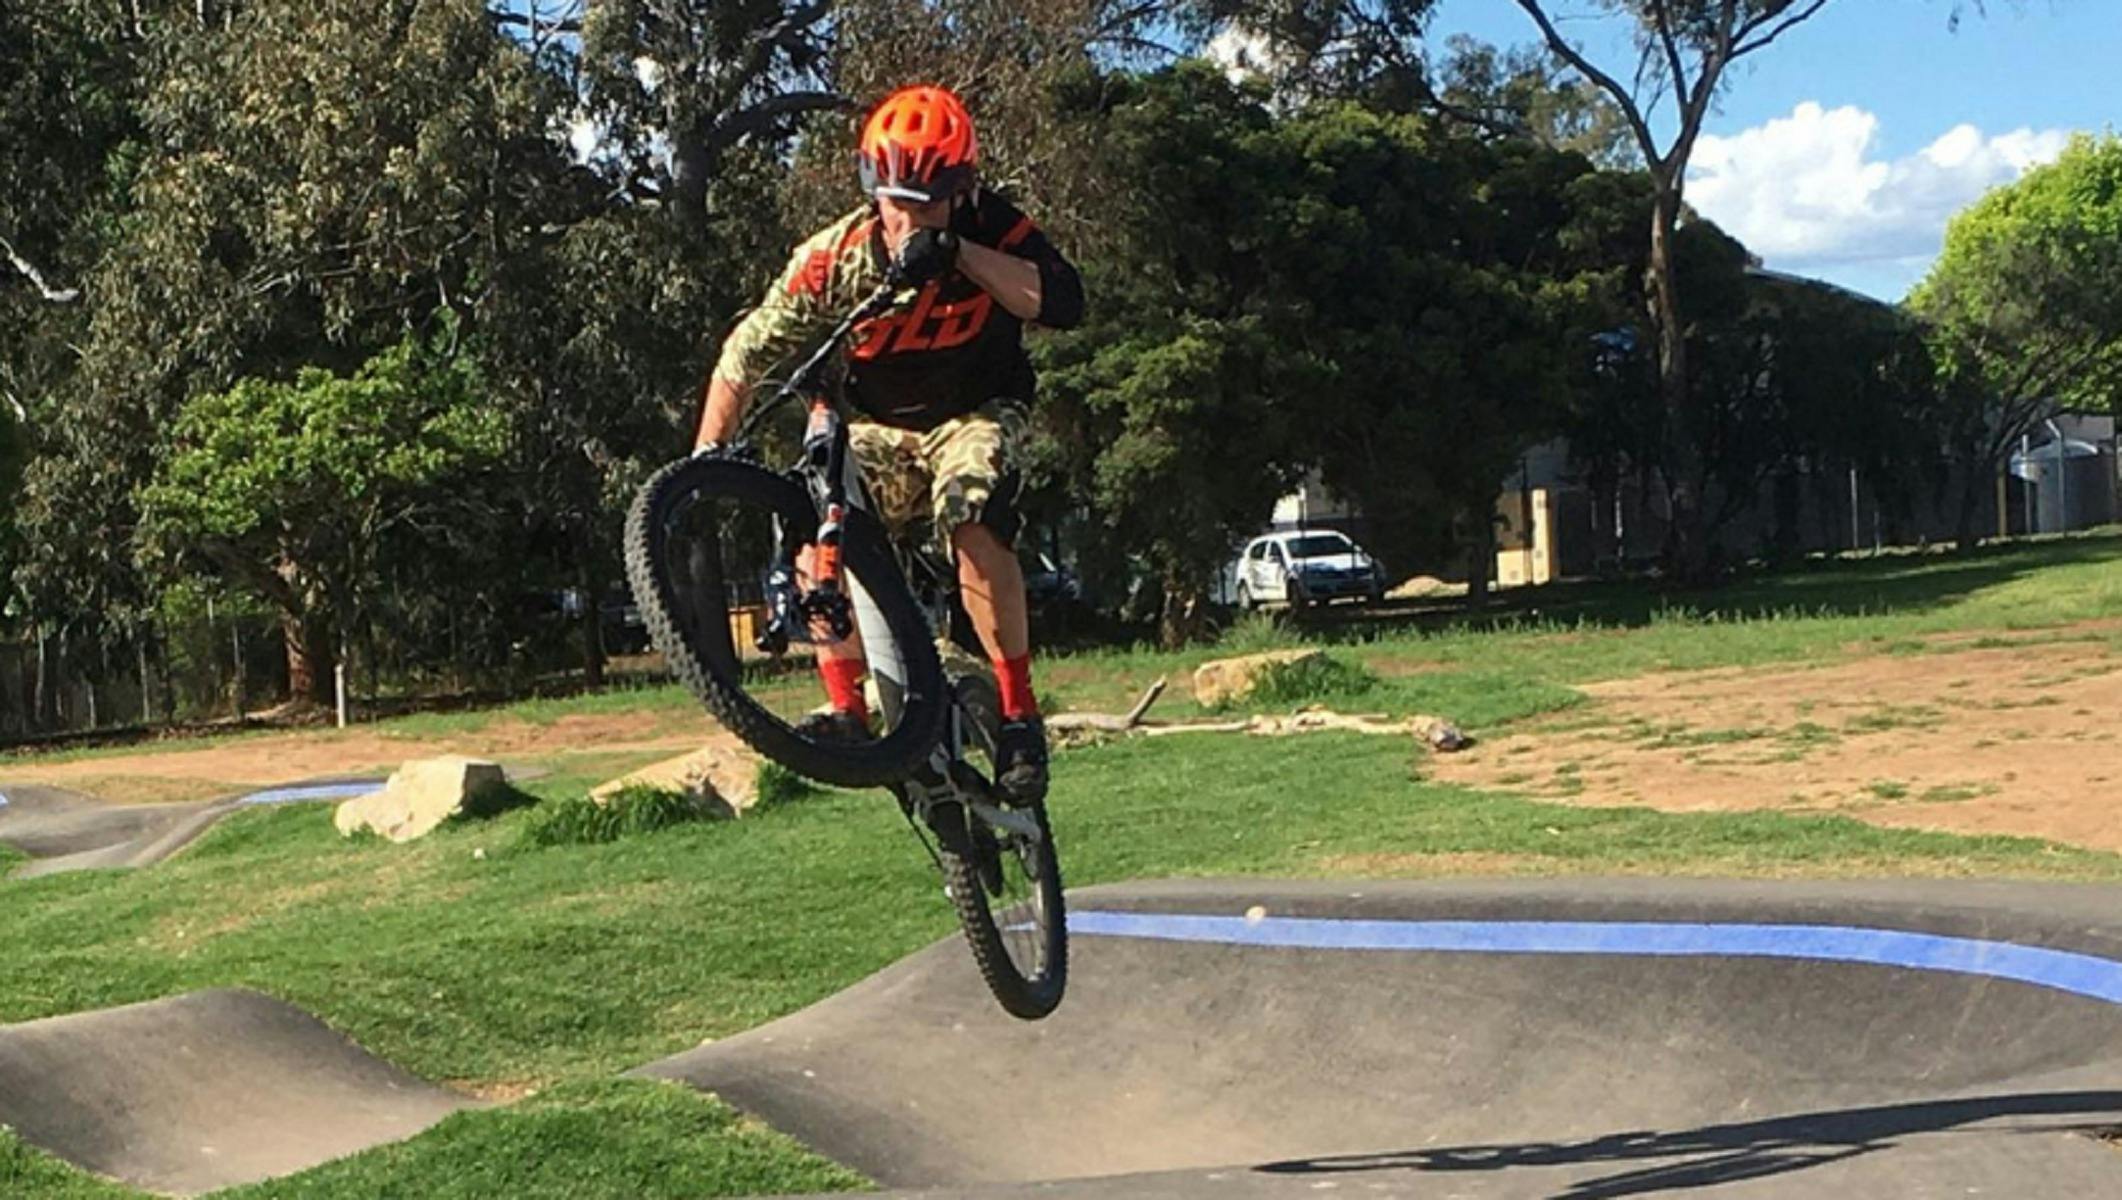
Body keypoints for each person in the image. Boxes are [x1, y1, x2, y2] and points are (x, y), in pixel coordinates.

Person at [692, 84, 1084, 804]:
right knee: (817, 515)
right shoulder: (833, 257)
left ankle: (1021, 714)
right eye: (895, 202)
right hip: (878, 426)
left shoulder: (996, 229)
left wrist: (961, 253)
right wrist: (700, 468)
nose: (908, 219)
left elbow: (1063, 301)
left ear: (963, 191)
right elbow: (741, 358)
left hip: (975, 411)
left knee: (972, 507)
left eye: (928, 203)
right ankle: (846, 705)